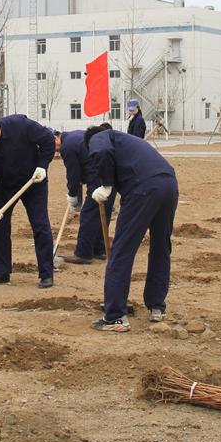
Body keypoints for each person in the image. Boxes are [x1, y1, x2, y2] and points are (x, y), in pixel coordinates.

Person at [84, 126, 179, 332]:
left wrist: (106, 184)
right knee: (161, 246)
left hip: (143, 188)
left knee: (122, 249)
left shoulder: (99, 136)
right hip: (169, 184)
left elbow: (100, 152)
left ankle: (116, 317)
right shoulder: (127, 143)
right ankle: (157, 306)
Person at [0, 110, 55, 289]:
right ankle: (1, 272)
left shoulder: (20, 125)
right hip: (4, 185)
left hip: (33, 181)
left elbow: (48, 139)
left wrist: (42, 165)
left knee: (40, 224)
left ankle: (46, 274)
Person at [54, 125, 115, 264]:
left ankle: (83, 253)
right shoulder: (75, 136)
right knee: (101, 214)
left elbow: (73, 176)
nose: (55, 152)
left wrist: (72, 195)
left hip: (99, 178)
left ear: (55, 138)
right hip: (109, 176)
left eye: (54, 148)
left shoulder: (67, 146)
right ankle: (99, 249)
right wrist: (76, 197)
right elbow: (80, 175)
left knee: (88, 215)